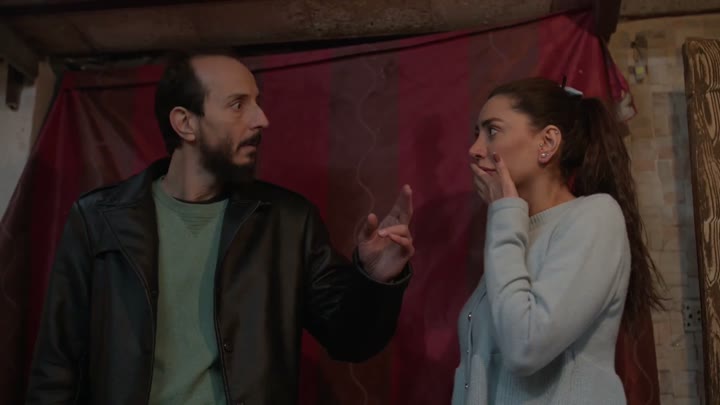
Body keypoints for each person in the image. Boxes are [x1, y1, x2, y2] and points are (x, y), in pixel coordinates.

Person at [26, 51, 415, 405]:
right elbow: (56, 366)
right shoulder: (99, 218)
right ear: (185, 123)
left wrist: (375, 280)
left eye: (257, 102)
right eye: (238, 105)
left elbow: (351, 340)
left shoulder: (289, 221)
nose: (261, 119)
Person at [453, 77, 664, 404]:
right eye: (476, 134)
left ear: (548, 142)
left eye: (492, 131)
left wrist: (504, 212)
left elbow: (525, 346)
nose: (475, 149)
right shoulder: (516, 233)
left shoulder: (595, 216)